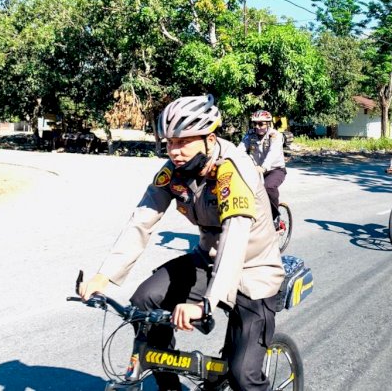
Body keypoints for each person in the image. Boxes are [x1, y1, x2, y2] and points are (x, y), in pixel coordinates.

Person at [78, 94, 285, 391]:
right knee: (144, 301)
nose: (174, 151)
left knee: (243, 375)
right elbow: (143, 219)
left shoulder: (233, 170)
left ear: (209, 139)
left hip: (254, 271)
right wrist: (104, 275)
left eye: (183, 142)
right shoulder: (174, 170)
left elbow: (235, 238)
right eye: (169, 142)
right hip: (208, 259)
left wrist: (206, 304)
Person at [237, 110, 287, 227]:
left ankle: (275, 217)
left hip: (275, 169)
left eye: (261, 124)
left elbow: (273, 153)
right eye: (255, 124)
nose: (257, 127)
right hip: (256, 170)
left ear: (268, 123)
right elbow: (240, 149)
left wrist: (264, 167)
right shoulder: (250, 135)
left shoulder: (275, 135)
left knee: (268, 187)